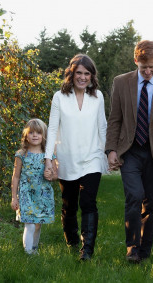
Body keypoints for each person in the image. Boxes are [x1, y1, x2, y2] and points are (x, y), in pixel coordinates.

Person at [105, 40, 153, 263]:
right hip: (130, 151)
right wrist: (111, 149)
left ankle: (145, 250)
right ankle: (132, 248)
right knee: (134, 197)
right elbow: (115, 119)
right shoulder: (121, 83)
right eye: (142, 68)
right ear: (135, 61)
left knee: (150, 202)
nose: (147, 72)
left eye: (152, 68)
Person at [44, 54, 107, 261]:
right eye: (78, 73)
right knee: (69, 204)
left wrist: (106, 153)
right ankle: (71, 240)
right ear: (71, 74)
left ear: (92, 76)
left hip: (92, 157)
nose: (82, 77)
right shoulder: (59, 97)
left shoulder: (97, 96)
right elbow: (52, 129)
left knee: (88, 202)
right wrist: (48, 158)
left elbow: (102, 126)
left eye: (86, 73)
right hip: (66, 157)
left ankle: (87, 250)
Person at [11, 118, 57, 255]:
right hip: (26, 194)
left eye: (38, 133)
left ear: (43, 135)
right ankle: (28, 253)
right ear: (26, 135)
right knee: (29, 224)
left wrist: (50, 174)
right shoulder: (21, 154)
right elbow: (16, 176)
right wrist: (14, 197)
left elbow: (56, 174)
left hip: (43, 194)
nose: (35, 135)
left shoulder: (48, 155)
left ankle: (34, 249)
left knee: (37, 224)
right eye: (31, 133)